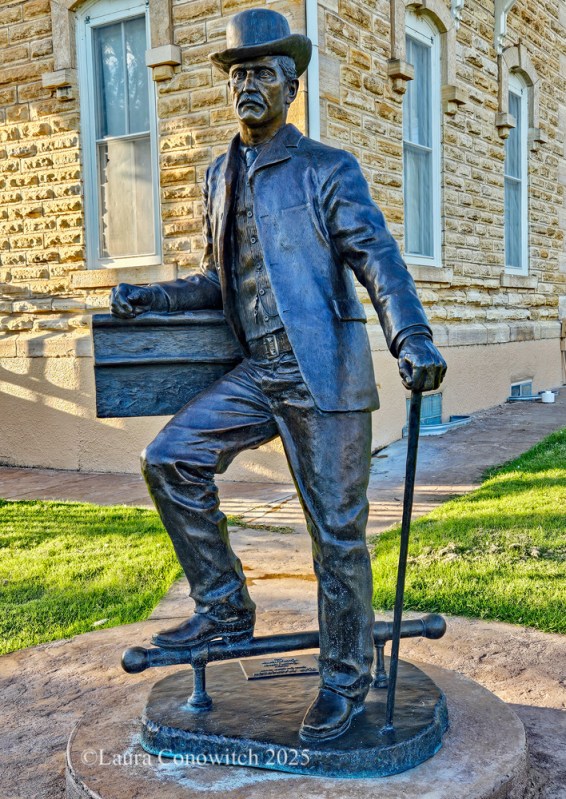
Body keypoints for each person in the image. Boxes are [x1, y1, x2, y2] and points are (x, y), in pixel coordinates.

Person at [110, 8, 446, 743]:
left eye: (262, 72)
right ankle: (225, 603)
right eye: (237, 74)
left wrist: (411, 335)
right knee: (170, 458)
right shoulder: (217, 174)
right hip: (258, 372)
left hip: (324, 377)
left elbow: (378, 259)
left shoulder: (329, 169)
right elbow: (216, 281)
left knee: (337, 535)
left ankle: (345, 678)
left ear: (292, 86)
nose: (246, 86)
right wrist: (154, 296)